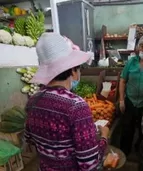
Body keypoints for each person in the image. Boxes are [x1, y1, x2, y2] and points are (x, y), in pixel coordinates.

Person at [24, 33, 109, 171]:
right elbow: (89, 164)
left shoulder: (33, 100)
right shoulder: (76, 105)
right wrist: (104, 137)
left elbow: (29, 138)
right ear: (73, 71)